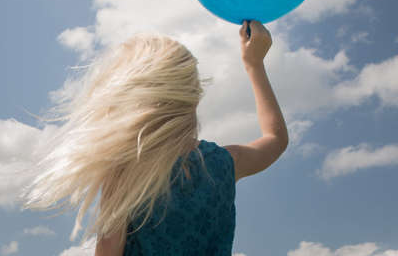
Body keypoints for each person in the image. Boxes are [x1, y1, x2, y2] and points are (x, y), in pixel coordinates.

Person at [19, 20, 288, 256]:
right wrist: (254, 64)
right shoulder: (225, 163)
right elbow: (275, 138)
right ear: (195, 95)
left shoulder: (127, 172)